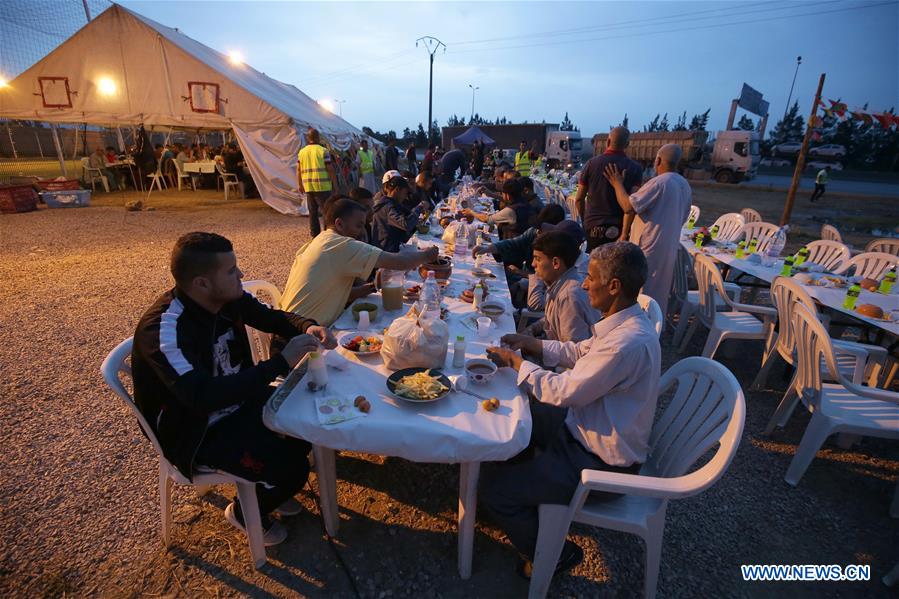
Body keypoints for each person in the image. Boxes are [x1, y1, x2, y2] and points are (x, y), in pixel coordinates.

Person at [132, 232, 336, 545]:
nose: (240, 275)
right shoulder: (165, 330)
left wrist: (306, 326)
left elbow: (272, 317)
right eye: (231, 270)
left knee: (307, 420)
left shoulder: (226, 299)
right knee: (293, 468)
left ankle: (270, 487)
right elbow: (202, 397)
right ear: (201, 283)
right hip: (196, 429)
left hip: (238, 402)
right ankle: (245, 511)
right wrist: (281, 362)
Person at [483, 242, 661, 578]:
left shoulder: (627, 344)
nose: (583, 283)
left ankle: (557, 553)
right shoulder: (623, 322)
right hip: (582, 430)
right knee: (513, 420)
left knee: (495, 491)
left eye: (590, 278)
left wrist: (515, 362)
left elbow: (567, 391)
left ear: (614, 286)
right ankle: (525, 490)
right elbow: (580, 351)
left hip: (600, 463)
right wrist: (534, 345)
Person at [279, 199, 439, 325]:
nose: (362, 232)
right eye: (358, 226)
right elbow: (402, 262)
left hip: (287, 325)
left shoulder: (319, 241)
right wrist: (427, 254)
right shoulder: (341, 245)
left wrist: (373, 286)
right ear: (339, 224)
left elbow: (338, 294)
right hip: (298, 336)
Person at [604, 144, 691, 316]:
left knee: (643, 290)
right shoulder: (683, 184)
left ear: (658, 160)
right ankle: (655, 325)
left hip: (649, 245)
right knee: (659, 290)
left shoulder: (660, 182)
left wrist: (617, 184)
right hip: (669, 246)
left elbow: (628, 206)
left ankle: (640, 326)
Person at [524, 231, 600, 343]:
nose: (533, 264)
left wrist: (532, 346)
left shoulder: (569, 296)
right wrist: (533, 328)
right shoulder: (560, 283)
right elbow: (553, 318)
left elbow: (572, 352)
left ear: (556, 263)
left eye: (538, 259)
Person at [575, 126, 643, 251]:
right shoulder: (635, 168)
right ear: (627, 144)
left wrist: (585, 220)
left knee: (593, 264)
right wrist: (625, 232)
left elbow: (579, 199)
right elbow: (631, 206)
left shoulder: (591, 164)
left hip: (593, 226)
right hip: (618, 229)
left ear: (608, 142)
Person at [473, 204, 566, 271]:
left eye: (542, 229)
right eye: (539, 227)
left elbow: (543, 280)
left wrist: (521, 274)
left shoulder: (557, 247)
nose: (538, 232)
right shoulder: (533, 232)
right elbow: (513, 243)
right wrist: (487, 249)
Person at [297, 128, 338, 238]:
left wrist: (300, 184)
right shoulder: (323, 151)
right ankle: (327, 234)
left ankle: (315, 235)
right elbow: (330, 168)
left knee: (313, 212)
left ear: (308, 138)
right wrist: (335, 184)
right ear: (317, 137)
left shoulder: (302, 152)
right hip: (323, 186)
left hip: (309, 186)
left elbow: (299, 169)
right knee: (327, 211)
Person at [370, 174, 427, 252]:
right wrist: (419, 208)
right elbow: (405, 225)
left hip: (394, 246)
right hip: (386, 251)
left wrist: (417, 219)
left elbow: (408, 215)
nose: (406, 196)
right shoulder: (387, 206)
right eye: (405, 193)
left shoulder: (393, 203)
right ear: (397, 190)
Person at [463, 179, 535, 240]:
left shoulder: (511, 210)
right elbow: (507, 200)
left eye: (503, 193)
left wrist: (471, 212)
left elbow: (487, 219)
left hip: (513, 246)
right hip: (526, 242)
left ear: (508, 195)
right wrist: (490, 194)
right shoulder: (525, 202)